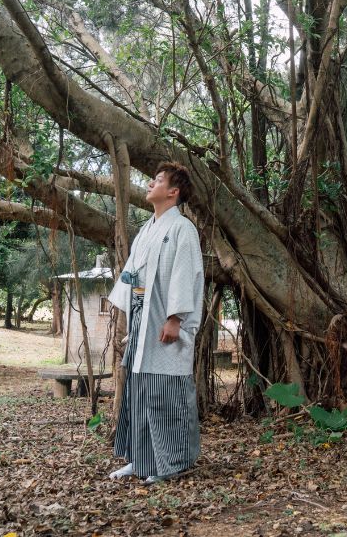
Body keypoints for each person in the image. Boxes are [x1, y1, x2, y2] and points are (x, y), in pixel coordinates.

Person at [107, 161, 204, 484]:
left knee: (165, 391)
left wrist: (175, 318)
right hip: (142, 319)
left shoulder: (182, 228)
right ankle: (140, 461)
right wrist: (128, 317)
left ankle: (173, 462)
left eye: (158, 180)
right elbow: (132, 271)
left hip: (165, 320)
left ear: (173, 192)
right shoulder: (147, 228)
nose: (150, 183)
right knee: (139, 390)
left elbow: (185, 274)